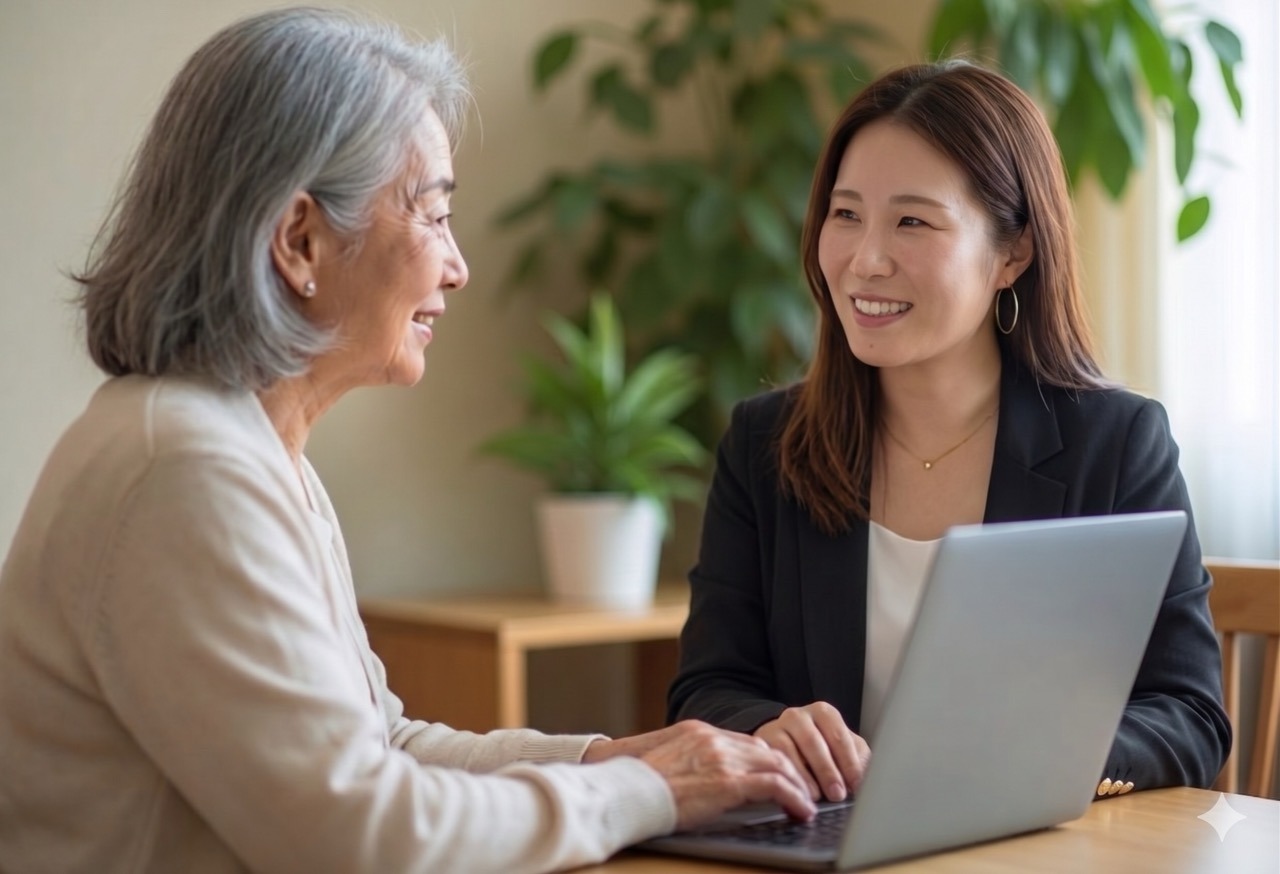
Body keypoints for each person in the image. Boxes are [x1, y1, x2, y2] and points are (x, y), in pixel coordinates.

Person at [0, 8, 816, 873]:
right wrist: (648, 795)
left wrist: (617, 760)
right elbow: (365, 833)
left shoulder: (250, 451)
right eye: (432, 216)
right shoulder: (185, 470)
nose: (457, 266)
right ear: (300, 240)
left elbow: (379, 744)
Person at [667, 60, 1231, 805]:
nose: (865, 260)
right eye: (845, 214)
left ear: (1013, 253)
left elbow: (1190, 714)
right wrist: (769, 729)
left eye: (912, 221)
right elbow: (708, 688)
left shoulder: (1118, 443)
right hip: (828, 843)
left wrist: (1050, 756)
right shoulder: (764, 446)